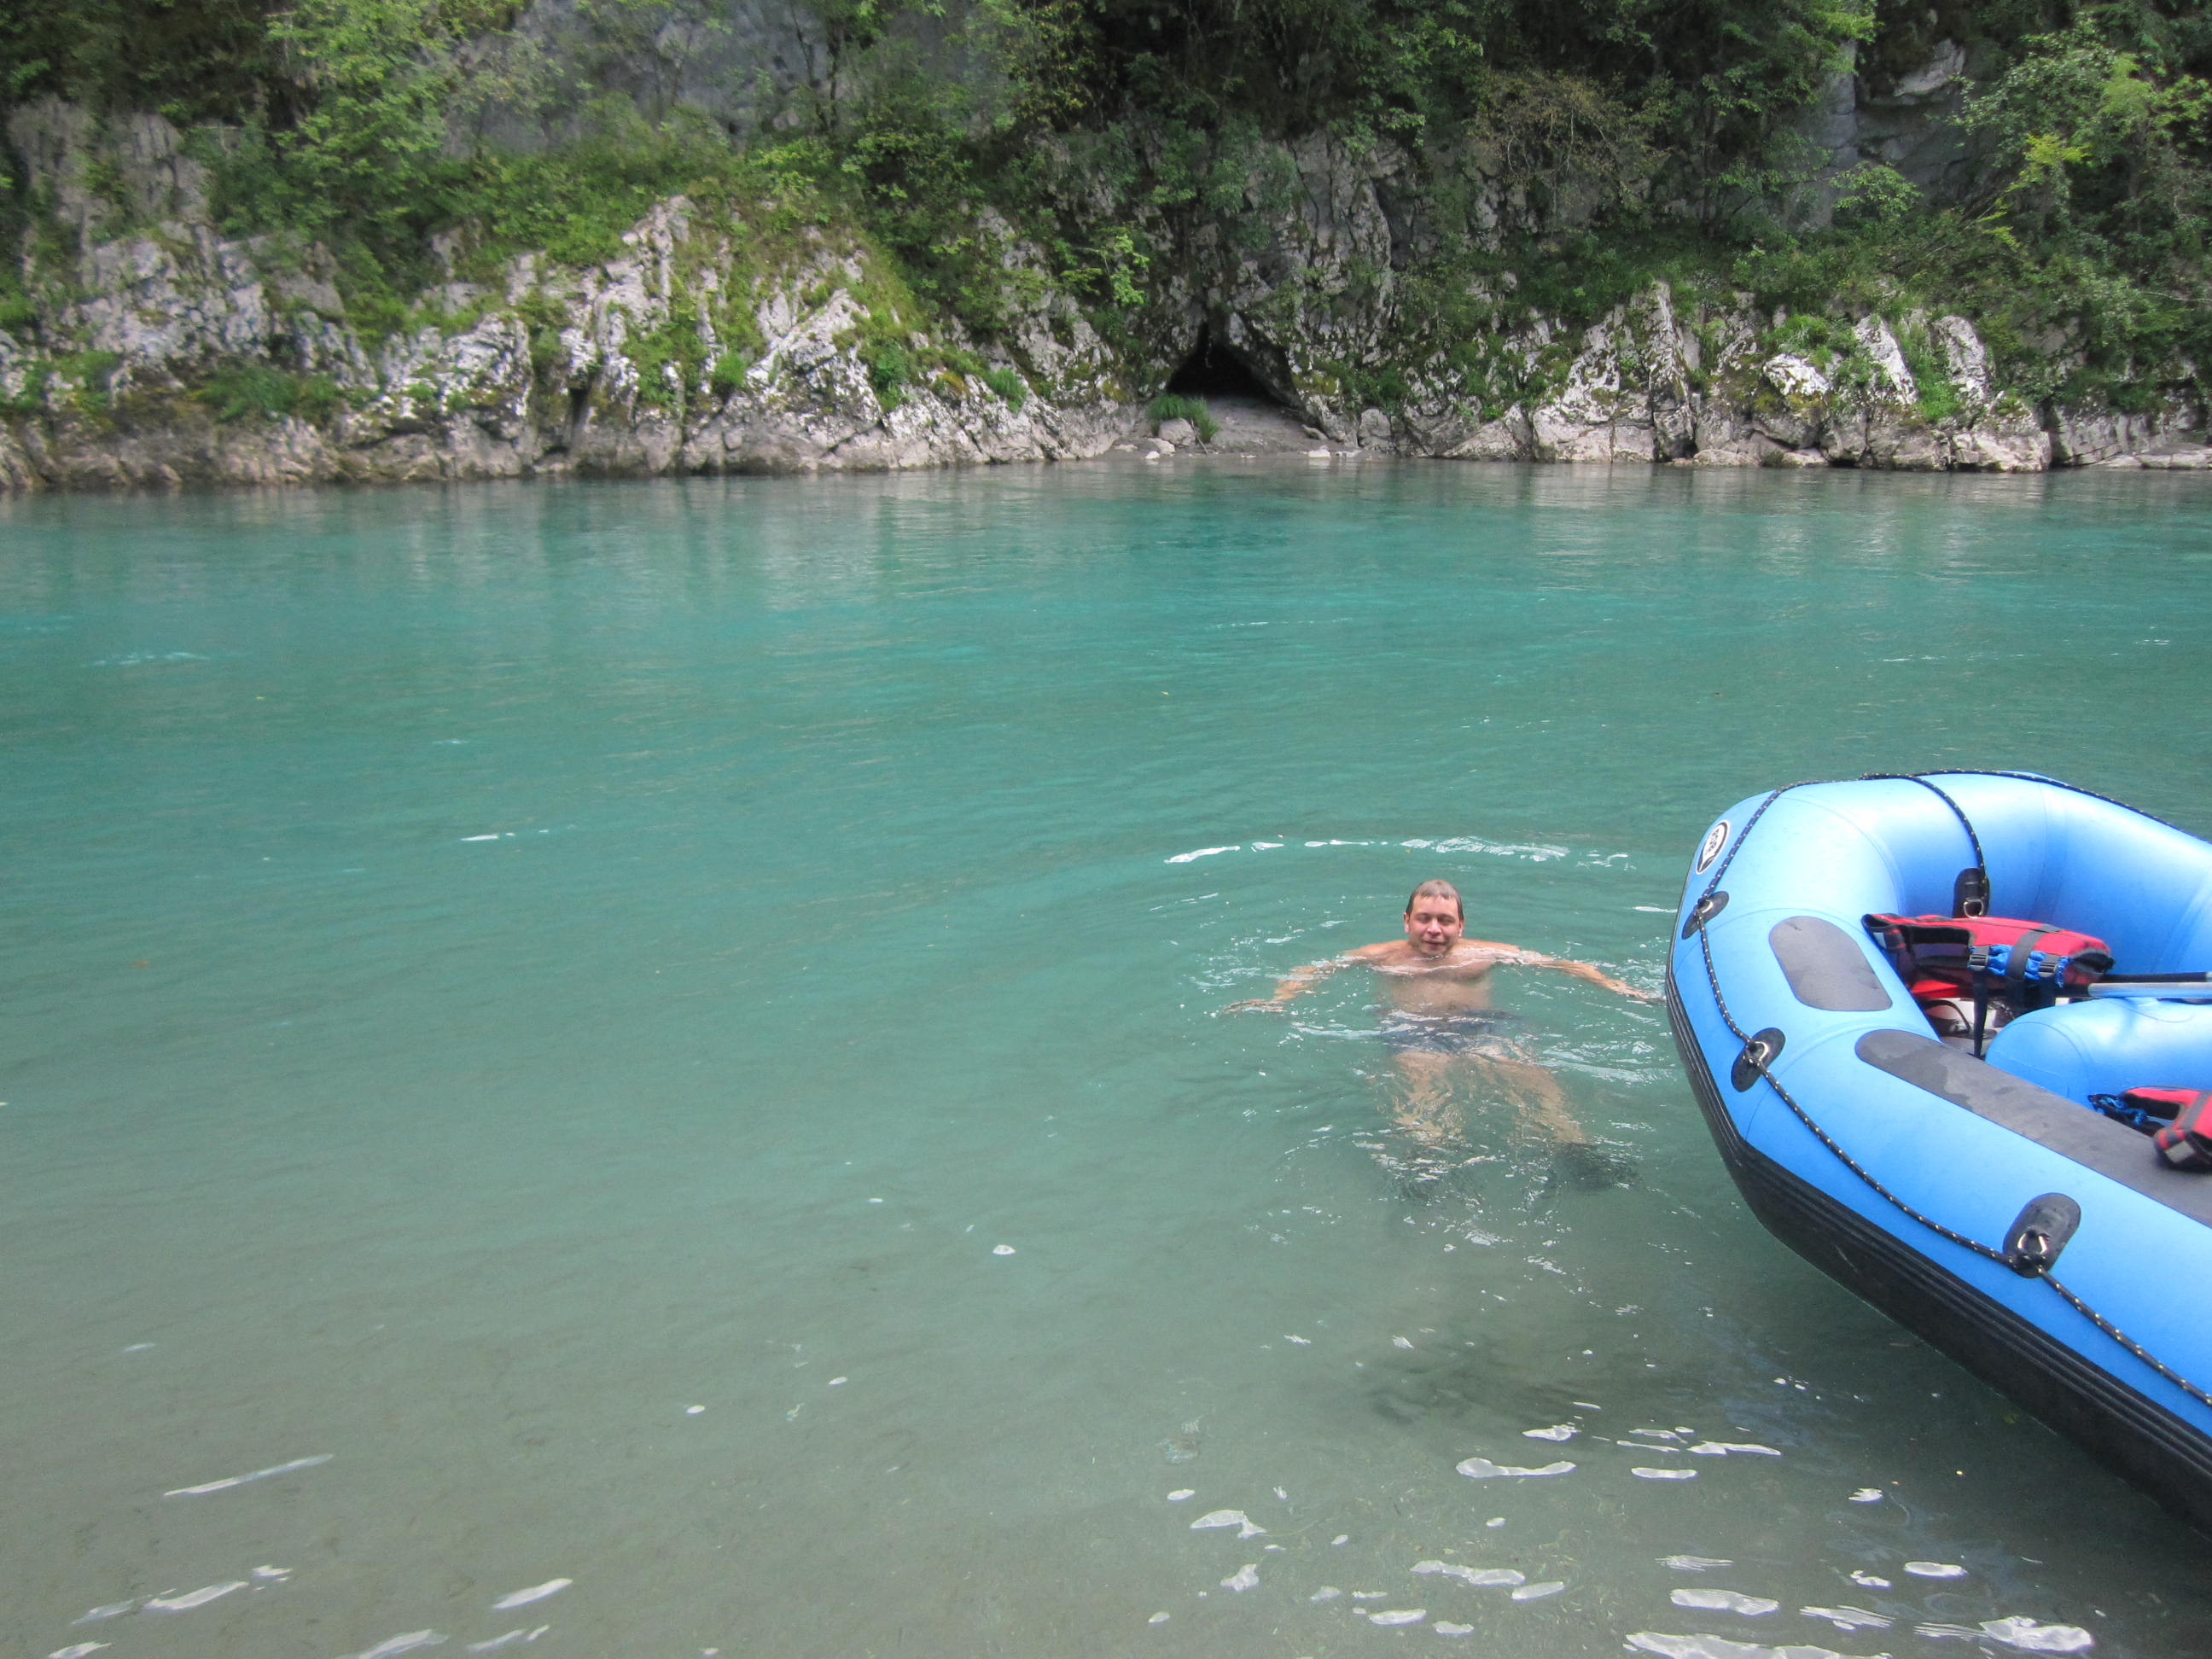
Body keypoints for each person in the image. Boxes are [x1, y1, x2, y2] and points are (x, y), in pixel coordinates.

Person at [1225, 879, 1653, 1185]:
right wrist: (1279, 999)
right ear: (1406, 921)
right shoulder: (1381, 955)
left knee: (1527, 1072)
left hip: (1481, 1025)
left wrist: (1619, 988)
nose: (1434, 929)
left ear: (1461, 925)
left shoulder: (1485, 954)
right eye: (1425, 919)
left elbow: (1562, 964)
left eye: (1445, 921)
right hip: (1414, 1030)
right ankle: (1429, 1155)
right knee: (1421, 1075)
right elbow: (1317, 969)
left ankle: (1573, 1148)